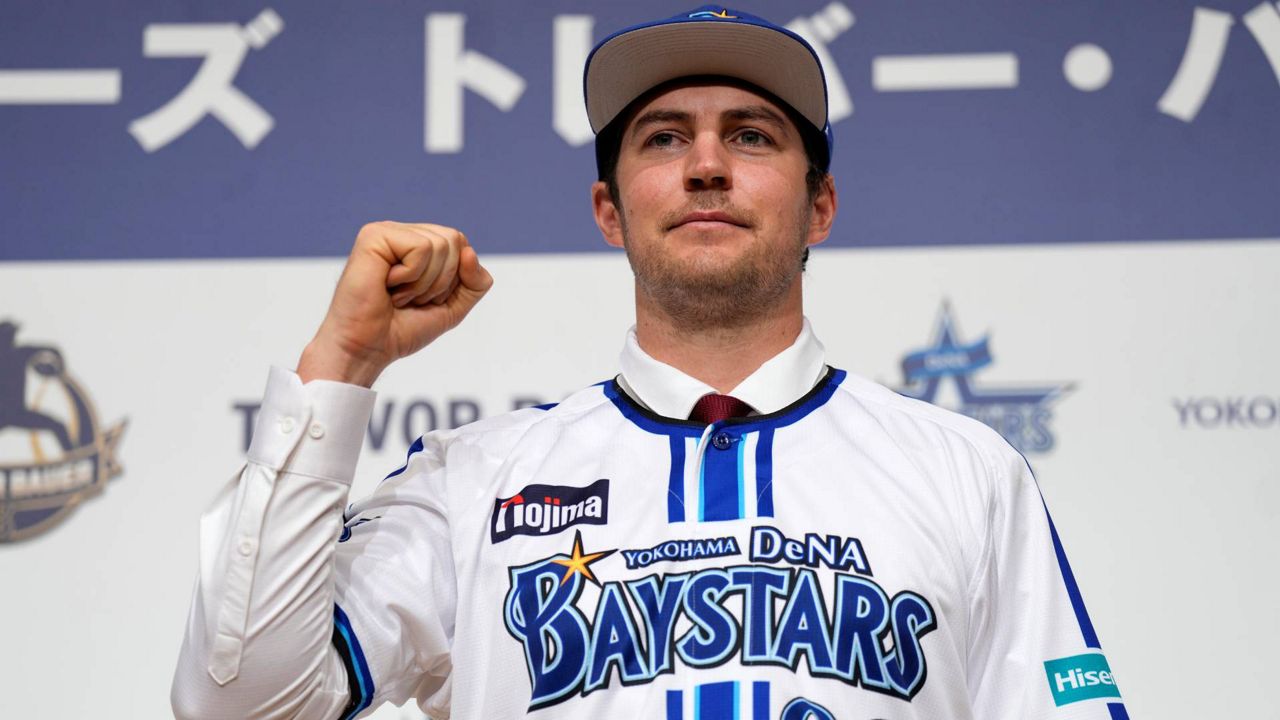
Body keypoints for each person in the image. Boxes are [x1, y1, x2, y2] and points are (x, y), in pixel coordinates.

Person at [172, 6, 1128, 719]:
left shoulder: (963, 471)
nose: (706, 164)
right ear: (609, 210)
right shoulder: (473, 481)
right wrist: (339, 367)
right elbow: (241, 702)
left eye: (750, 136)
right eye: (664, 138)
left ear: (821, 208)